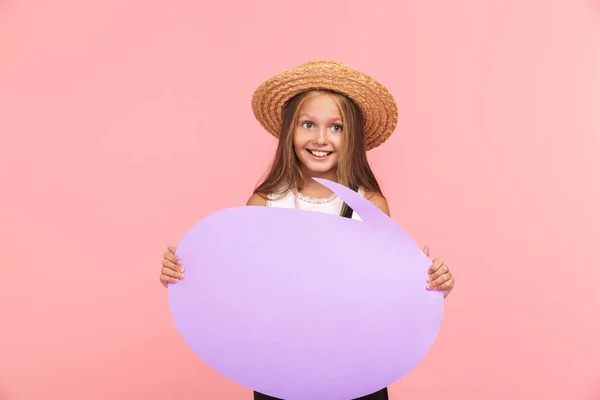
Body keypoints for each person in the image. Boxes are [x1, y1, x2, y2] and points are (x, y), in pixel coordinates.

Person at [159, 60, 455, 400]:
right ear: (290, 131)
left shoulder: (369, 204)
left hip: (356, 370)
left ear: (352, 137)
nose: (320, 138)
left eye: (336, 127)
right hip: (280, 370)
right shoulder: (264, 203)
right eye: (308, 124)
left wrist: (429, 283)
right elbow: (239, 282)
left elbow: (387, 289)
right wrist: (185, 272)